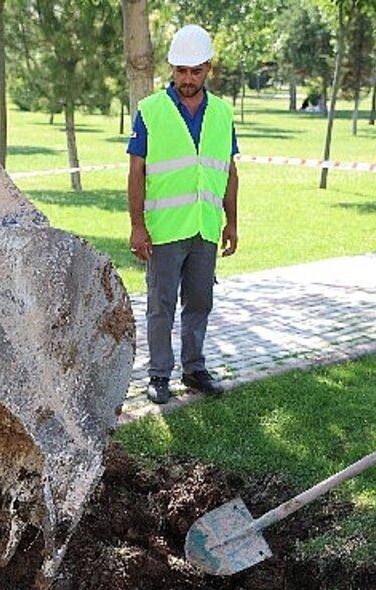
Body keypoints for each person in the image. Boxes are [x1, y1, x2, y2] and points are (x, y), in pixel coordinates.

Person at [127, 24, 239, 405]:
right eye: (180, 71)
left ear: (208, 69)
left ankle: (194, 369)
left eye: (195, 71)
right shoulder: (150, 111)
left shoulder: (222, 113)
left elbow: (229, 170)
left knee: (200, 302)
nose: (187, 79)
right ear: (172, 69)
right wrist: (137, 226)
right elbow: (136, 171)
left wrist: (232, 222)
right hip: (164, 230)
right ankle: (159, 375)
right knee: (161, 305)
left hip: (205, 227)